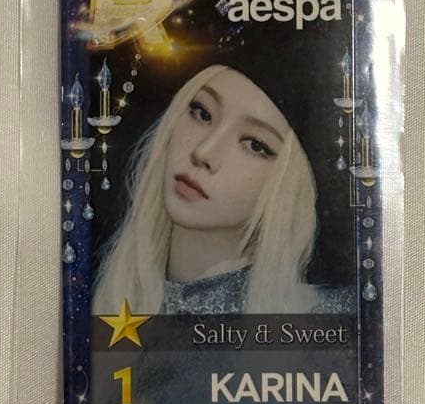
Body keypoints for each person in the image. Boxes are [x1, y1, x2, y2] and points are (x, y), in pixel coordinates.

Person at [93, 63, 355, 316]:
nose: (203, 152)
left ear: (295, 188)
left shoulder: (328, 318)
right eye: (202, 113)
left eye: (255, 145)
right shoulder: (106, 300)